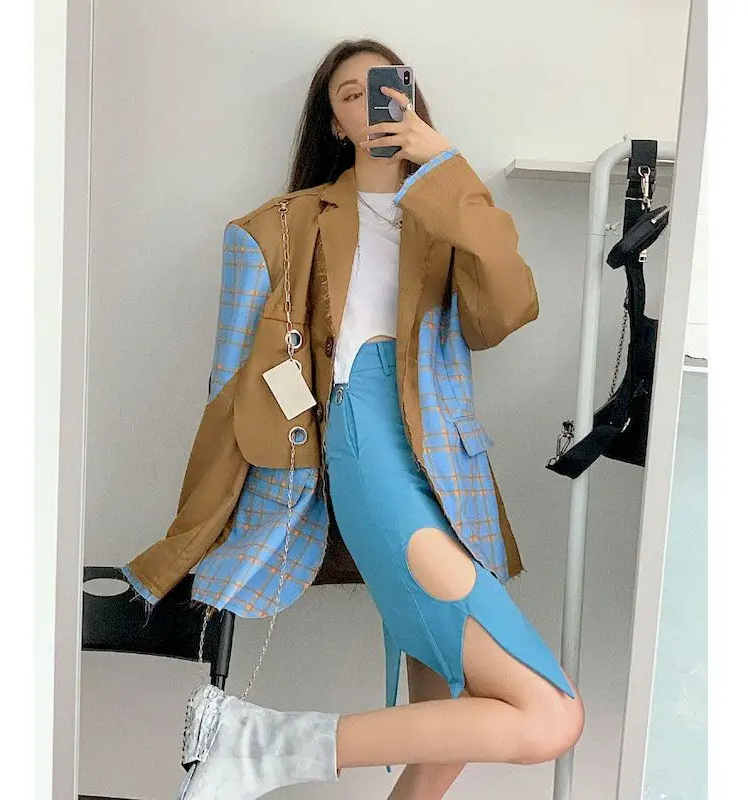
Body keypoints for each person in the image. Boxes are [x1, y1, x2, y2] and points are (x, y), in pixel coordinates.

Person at [129, 38, 585, 800]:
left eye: (388, 88)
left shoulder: (443, 211)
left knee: (443, 737)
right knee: (550, 715)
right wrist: (212, 513)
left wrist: (445, 166)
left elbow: (509, 307)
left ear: (412, 102)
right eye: (351, 94)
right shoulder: (283, 226)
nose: (372, 104)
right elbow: (238, 381)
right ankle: (258, 742)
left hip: (446, 471)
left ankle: (259, 744)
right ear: (334, 123)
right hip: (367, 455)